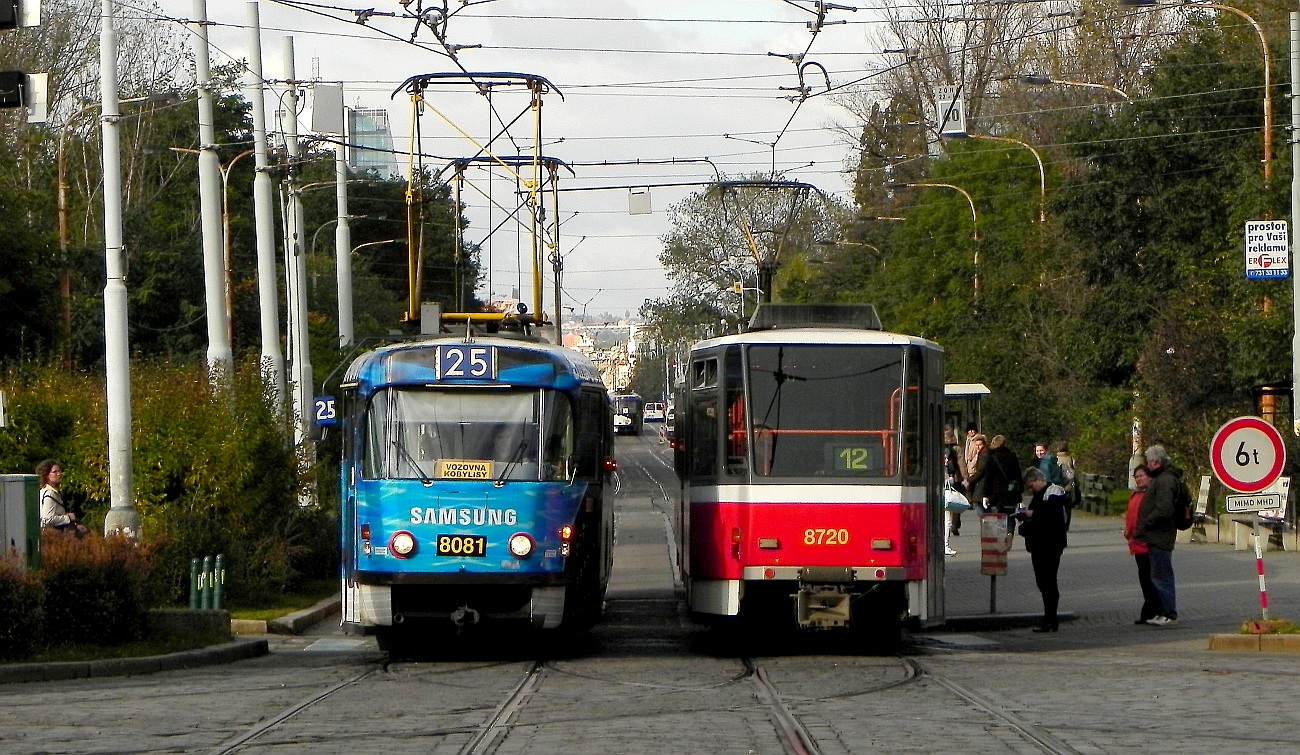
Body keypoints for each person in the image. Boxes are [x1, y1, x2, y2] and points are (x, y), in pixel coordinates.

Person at [1017, 467, 1069, 632]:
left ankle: (1051, 619)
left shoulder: (1054, 491)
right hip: (1039, 544)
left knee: (1048, 581)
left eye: (1031, 485)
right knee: (1043, 581)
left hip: (1050, 544)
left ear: (1039, 479)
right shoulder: (1039, 495)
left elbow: (1051, 515)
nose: (1031, 489)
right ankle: (1049, 618)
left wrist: (1032, 513)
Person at [1134, 445, 1178, 626]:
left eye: (1150, 462)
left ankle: (1168, 613)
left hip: (1160, 535)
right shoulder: (1163, 478)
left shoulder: (1165, 480)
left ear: (1156, 462)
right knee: (1158, 576)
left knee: (1162, 576)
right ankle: (1163, 612)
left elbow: (1164, 508)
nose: (1148, 466)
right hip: (1157, 535)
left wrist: (1146, 522)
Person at [1124, 465, 1162, 625]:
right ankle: (1149, 611)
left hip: (1147, 543)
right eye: (1136, 476)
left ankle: (1153, 610)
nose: (1138, 479)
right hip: (1137, 542)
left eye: (1141, 476)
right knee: (1145, 578)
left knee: (1150, 579)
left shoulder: (1151, 495)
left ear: (1150, 477)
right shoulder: (1136, 495)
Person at [37, 459, 87, 537]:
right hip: (53, 535)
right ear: (46, 475)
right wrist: (68, 517)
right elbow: (47, 519)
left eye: (59, 471)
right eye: (55, 472)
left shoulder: (44, 491)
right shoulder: (49, 494)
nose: (59, 474)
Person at [983, 435, 1024, 519]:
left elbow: (988, 477)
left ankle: (1001, 531)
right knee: (1011, 513)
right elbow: (1018, 475)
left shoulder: (991, 458)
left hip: (996, 492)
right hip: (1010, 490)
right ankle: (1010, 531)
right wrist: (1020, 490)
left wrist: (986, 494)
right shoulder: (1012, 456)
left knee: (999, 515)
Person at [964, 434, 989, 511]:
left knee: (978, 505)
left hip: (983, 484)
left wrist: (969, 480)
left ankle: (985, 521)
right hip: (982, 483)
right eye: (976, 445)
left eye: (980, 445)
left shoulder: (984, 454)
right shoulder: (982, 453)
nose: (977, 447)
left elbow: (981, 470)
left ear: (984, 444)